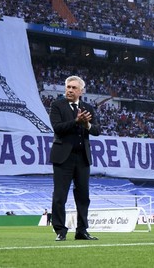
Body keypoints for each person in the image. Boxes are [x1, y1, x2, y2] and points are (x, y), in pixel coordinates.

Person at [50, 75, 101, 241]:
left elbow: (97, 130)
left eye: (74, 88)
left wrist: (87, 125)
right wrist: (76, 121)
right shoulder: (57, 105)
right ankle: (60, 230)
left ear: (81, 91)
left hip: (82, 158)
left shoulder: (88, 108)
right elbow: (58, 128)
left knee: (83, 197)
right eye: (68, 87)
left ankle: (82, 231)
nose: (70, 90)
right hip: (63, 157)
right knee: (60, 196)